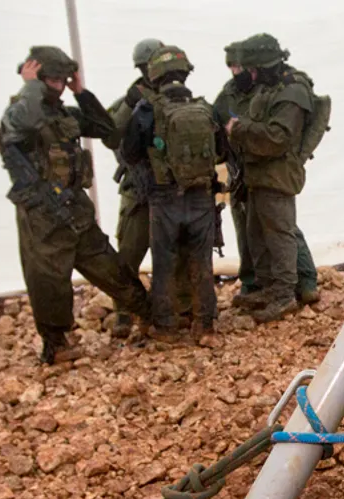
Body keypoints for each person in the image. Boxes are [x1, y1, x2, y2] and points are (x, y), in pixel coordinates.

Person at [0, 45, 150, 364]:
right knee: (49, 280)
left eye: (62, 79)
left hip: (74, 209)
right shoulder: (20, 112)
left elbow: (106, 129)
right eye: (52, 80)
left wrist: (80, 92)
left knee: (111, 267)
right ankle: (56, 344)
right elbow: (24, 123)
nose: (58, 85)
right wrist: (31, 86)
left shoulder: (64, 115)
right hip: (43, 214)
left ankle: (149, 314)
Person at [120, 45, 228, 340]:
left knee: (165, 263)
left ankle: (167, 326)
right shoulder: (205, 108)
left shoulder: (146, 110)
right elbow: (221, 152)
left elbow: (128, 152)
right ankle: (204, 325)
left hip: (164, 198)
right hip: (201, 197)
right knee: (201, 262)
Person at [214, 40, 319, 313]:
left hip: (277, 174)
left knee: (280, 233)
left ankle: (285, 294)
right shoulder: (269, 88)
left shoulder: (292, 92)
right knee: (257, 232)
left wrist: (238, 129)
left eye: (249, 69)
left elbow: (278, 138)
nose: (245, 75)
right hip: (257, 172)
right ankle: (267, 287)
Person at [104, 38, 190, 336]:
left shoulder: (178, 97)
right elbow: (110, 135)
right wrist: (130, 104)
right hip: (139, 189)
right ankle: (125, 312)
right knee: (128, 253)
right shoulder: (130, 101)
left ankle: (176, 308)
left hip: (170, 188)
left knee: (175, 253)